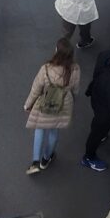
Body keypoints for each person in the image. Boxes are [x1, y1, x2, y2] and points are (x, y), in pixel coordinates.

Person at [24, 37, 81, 175]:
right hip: (63, 103)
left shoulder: (46, 69)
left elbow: (36, 89)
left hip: (46, 102)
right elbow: (75, 89)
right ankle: (46, 159)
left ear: (56, 51)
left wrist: (28, 105)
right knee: (54, 131)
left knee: (40, 129)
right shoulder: (75, 69)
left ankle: (35, 162)